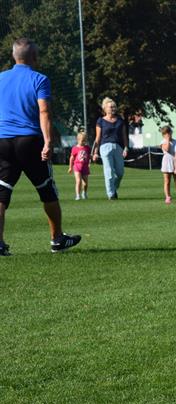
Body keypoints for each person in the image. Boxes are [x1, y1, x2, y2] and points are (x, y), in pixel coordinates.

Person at [0, 37, 81, 255]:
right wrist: (47, 141)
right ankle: (57, 239)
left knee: (2, 192)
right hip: (29, 141)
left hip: (3, 141)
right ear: (34, 57)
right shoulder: (39, 79)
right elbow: (44, 111)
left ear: (13, 56)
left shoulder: (0, 78)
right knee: (47, 191)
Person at [91, 97, 128, 200]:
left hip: (118, 147)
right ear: (105, 109)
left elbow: (124, 136)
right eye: (110, 107)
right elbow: (97, 138)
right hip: (105, 147)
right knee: (109, 172)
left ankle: (113, 188)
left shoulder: (120, 120)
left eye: (114, 107)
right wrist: (95, 152)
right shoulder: (100, 121)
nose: (112, 108)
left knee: (120, 173)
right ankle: (111, 194)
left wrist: (126, 148)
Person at [68, 131, 91, 201]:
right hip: (77, 166)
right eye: (82, 141)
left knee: (85, 183)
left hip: (85, 167)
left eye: (85, 141)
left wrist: (89, 163)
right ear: (78, 140)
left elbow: (89, 157)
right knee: (78, 181)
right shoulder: (75, 148)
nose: (83, 142)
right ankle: (77, 195)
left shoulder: (87, 148)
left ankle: (84, 193)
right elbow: (72, 158)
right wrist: (70, 167)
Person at [159, 126, 176, 204]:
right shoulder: (163, 142)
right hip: (167, 162)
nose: (168, 134)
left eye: (169, 132)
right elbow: (166, 149)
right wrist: (167, 140)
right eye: (165, 133)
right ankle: (168, 196)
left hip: (175, 162)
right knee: (167, 181)